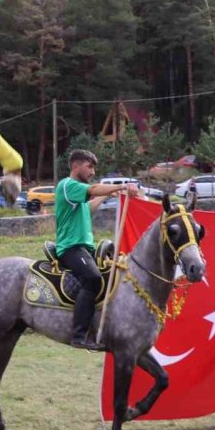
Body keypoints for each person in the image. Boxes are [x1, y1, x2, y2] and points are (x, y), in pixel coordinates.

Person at [55, 150, 139, 351]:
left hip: (85, 248)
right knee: (93, 278)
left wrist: (111, 194)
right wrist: (121, 186)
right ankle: (79, 335)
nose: (92, 171)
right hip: (71, 248)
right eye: (89, 167)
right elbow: (93, 189)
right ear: (76, 166)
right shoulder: (67, 185)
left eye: (93, 168)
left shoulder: (77, 194)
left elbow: (88, 208)